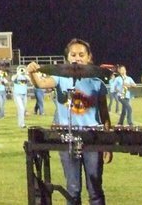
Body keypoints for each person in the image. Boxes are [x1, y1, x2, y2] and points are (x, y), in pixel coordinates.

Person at [28, 39, 111, 205]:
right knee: (73, 189)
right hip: (67, 138)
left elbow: (104, 114)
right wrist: (32, 72)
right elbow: (41, 83)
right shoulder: (60, 79)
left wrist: (107, 144)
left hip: (93, 138)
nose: (77, 58)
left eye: (82, 55)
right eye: (73, 55)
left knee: (95, 189)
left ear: (89, 58)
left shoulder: (97, 82)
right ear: (67, 58)